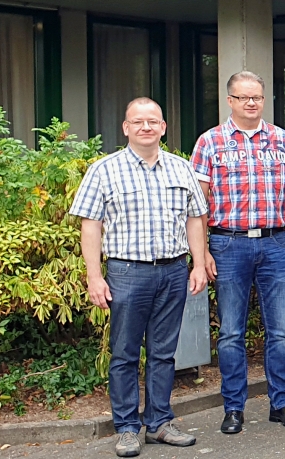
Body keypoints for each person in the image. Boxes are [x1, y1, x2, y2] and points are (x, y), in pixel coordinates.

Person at [71, 98, 209, 458]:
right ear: (126, 127)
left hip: (174, 270)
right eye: (139, 122)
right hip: (126, 273)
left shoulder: (182, 169)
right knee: (125, 353)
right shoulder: (104, 170)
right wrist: (93, 276)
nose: (146, 127)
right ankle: (128, 428)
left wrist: (197, 263)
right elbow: (91, 226)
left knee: (164, 354)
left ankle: (160, 422)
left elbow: (196, 218)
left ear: (163, 127)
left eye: (153, 122)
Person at [190, 72, 285, 435]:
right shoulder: (210, 142)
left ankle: (281, 403)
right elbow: (197, 201)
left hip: (274, 244)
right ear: (230, 101)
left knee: (281, 332)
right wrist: (202, 250)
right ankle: (234, 408)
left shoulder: (282, 140)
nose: (251, 103)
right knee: (231, 332)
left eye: (257, 97)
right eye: (244, 98)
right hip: (228, 244)